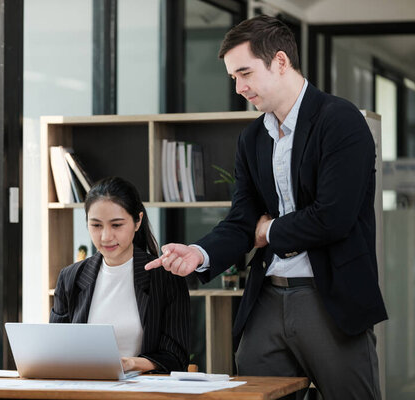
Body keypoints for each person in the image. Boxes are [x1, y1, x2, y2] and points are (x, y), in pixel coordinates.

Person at [145, 15, 387, 399]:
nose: (240, 88)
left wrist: (268, 231)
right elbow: (241, 220)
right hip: (267, 298)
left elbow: (333, 217)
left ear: (279, 61)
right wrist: (199, 252)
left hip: (329, 299)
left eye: (246, 73)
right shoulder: (253, 138)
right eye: (233, 78)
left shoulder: (341, 120)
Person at [50, 176, 190, 373]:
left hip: (145, 391)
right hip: (85, 387)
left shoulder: (165, 277)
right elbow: (55, 349)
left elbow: (176, 357)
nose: (106, 236)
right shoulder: (70, 277)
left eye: (116, 225)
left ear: (137, 221)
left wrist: (129, 363)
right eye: (96, 225)